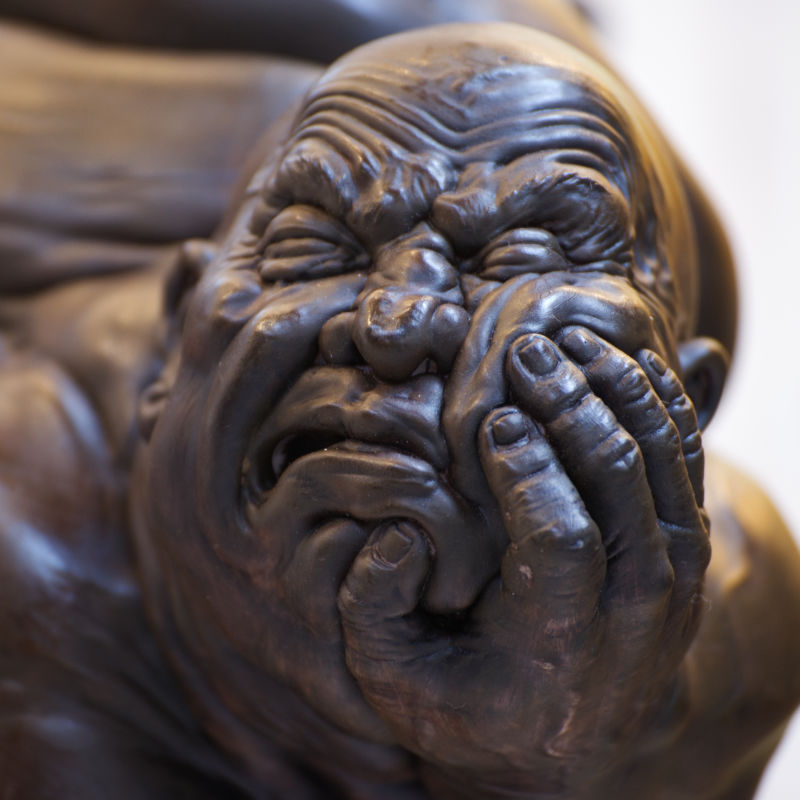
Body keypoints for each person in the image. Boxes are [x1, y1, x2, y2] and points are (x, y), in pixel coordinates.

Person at [1, 14, 798, 800]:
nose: (397, 321)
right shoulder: (34, 545)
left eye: (521, 254)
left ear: (687, 413)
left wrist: (540, 759)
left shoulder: (738, 627)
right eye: (315, 246)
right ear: (174, 338)